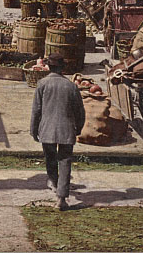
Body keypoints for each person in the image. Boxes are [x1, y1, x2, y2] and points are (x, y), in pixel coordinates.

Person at [30, 53, 86, 211]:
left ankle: (54, 183)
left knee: (50, 158)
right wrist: (78, 128)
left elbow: (36, 110)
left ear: (48, 67)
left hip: (47, 129)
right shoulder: (71, 86)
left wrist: (33, 130)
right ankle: (61, 198)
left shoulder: (42, 84)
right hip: (67, 129)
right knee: (65, 161)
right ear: (62, 67)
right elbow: (80, 112)